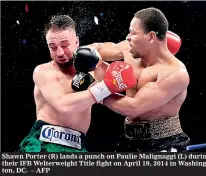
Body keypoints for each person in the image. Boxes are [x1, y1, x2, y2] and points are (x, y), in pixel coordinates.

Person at [17, 15, 137, 152]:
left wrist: (157, 45)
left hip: (78, 147)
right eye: (53, 47)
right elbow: (63, 105)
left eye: (64, 45)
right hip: (42, 144)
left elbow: (129, 74)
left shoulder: (92, 67)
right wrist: (105, 87)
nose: (60, 53)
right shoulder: (43, 72)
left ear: (77, 42)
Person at [89, 7, 190, 152]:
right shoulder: (130, 49)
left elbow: (134, 108)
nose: (128, 37)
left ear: (150, 37)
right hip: (129, 140)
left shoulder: (175, 73)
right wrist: (81, 56)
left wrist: (95, 88)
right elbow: (97, 49)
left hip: (164, 144)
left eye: (133, 33)